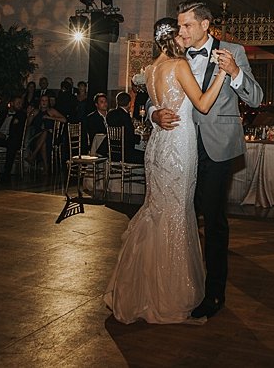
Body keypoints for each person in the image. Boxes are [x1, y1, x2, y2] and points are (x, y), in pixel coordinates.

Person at [105, 17, 232, 324]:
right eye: (182, 33)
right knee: (175, 214)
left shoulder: (150, 70)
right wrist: (222, 75)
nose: (186, 36)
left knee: (156, 211)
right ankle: (170, 293)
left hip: (157, 148)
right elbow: (202, 104)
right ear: (174, 37)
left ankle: (142, 289)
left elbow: (153, 101)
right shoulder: (179, 65)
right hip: (179, 148)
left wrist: (152, 112)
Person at [149, 1, 264, 319]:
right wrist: (154, 113)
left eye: (187, 25)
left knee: (212, 220)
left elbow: (256, 98)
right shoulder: (176, 52)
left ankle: (214, 293)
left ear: (205, 25)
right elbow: (153, 96)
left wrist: (235, 73)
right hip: (179, 145)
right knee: (181, 216)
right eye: (179, 25)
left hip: (216, 147)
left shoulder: (233, 51)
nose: (181, 31)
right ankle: (181, 284)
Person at [24, 94, 66, 176]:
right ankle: (45, 167)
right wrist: (29, 115)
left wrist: (49, 118)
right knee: (44, 135)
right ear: (40, 102)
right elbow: (27, 124)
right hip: (37, 136)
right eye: (42, 100)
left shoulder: (51, 111)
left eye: (46, 100)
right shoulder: (35, 111)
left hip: (50, 137)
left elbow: (64, 120)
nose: (44, 102)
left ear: (48, 102)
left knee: (45, 136)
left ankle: (34, 156)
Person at [106, 91, 143, 164]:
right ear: (129, 103)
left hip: (112, 152)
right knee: (147, 155)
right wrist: (141, 138)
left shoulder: (110, 114)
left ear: (117, 102)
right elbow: (129, 137)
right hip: (126, 153)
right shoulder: (125, 117)